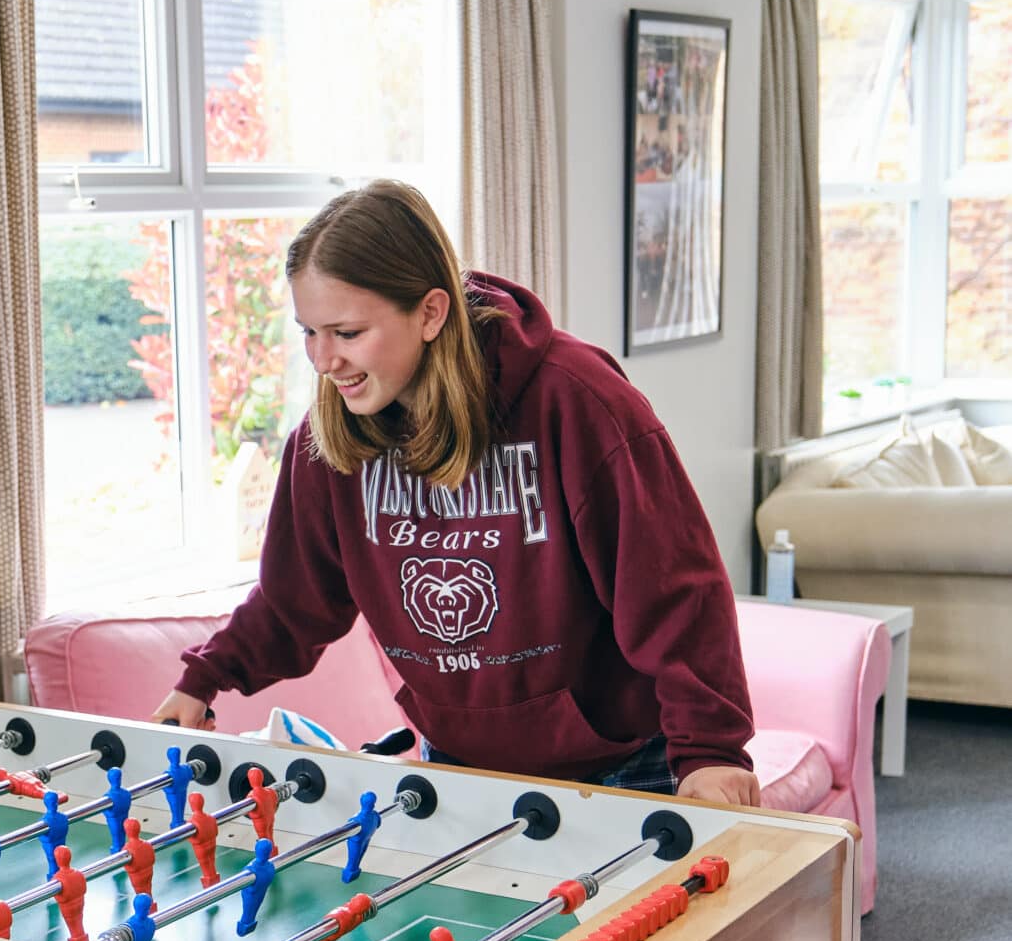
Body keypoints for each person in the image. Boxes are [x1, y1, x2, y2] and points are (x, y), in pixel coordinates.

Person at [153, 180, 760, 808]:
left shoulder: (577, 402)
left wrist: (711, 754)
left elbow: (675, 595)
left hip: (620, 764)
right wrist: (205, 678)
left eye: (348, 332)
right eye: (309, 332)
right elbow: (294, 602)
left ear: (431, 313)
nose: (324, 360)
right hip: (459, 762)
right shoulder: (327, 440)